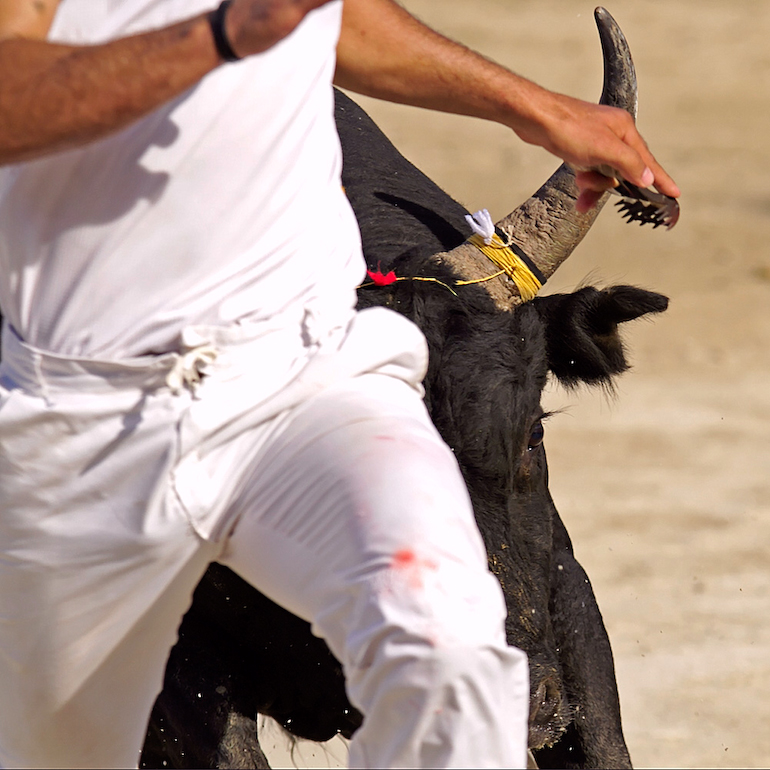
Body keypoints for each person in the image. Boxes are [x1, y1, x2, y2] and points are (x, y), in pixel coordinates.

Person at [0, 1, 679, 768]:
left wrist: (536, 108)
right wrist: (221, 39)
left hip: (310, 363)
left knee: (456, 647)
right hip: (95, 410)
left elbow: (324, 16)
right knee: (60, 751)